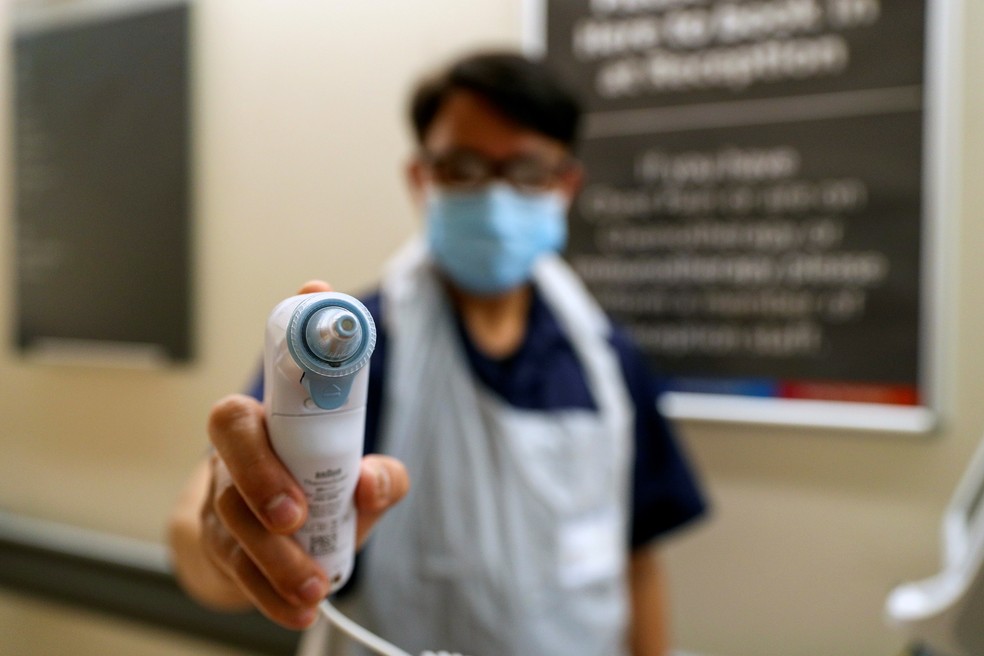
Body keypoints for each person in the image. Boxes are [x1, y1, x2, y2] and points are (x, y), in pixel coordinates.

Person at [168, 51, 707, 656]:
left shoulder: (609, 361)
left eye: (527, 169)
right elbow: (201, 525)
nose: (496, 197)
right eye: (464, 167)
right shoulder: (348, 345)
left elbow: (634, 558)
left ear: (566, 184)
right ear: (422, 178)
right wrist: (226, 541)